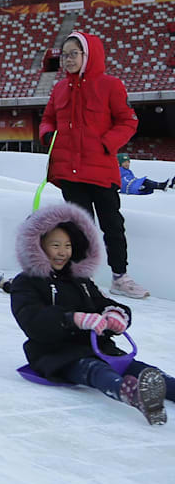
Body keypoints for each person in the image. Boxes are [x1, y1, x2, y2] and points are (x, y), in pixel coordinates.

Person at [10, 203, 171, 425]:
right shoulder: (26, 283)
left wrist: (115, 314)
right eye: (55, 245)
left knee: (140, 368)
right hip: (56, 353)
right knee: (95, 370)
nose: (62, 251)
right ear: (37, 246)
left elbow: (101, 302)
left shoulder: (79, 280)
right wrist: (72, 319)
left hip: (97, 346)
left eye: (67, 245)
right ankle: (132, 394)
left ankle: (168, 387)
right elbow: (33, 321)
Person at [40, 32, 146, 299]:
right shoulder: (60, 88)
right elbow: (47, 119)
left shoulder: (111, 85)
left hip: (101, 170)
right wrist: (47, 134)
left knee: (112, 224)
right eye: (64, 55)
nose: (68, 59)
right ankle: (82, 277)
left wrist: (106, 144)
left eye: (74, 53)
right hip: (70, 172)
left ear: (89, 55)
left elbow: (128, 121)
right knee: (78, 228)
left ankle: (120, 277)